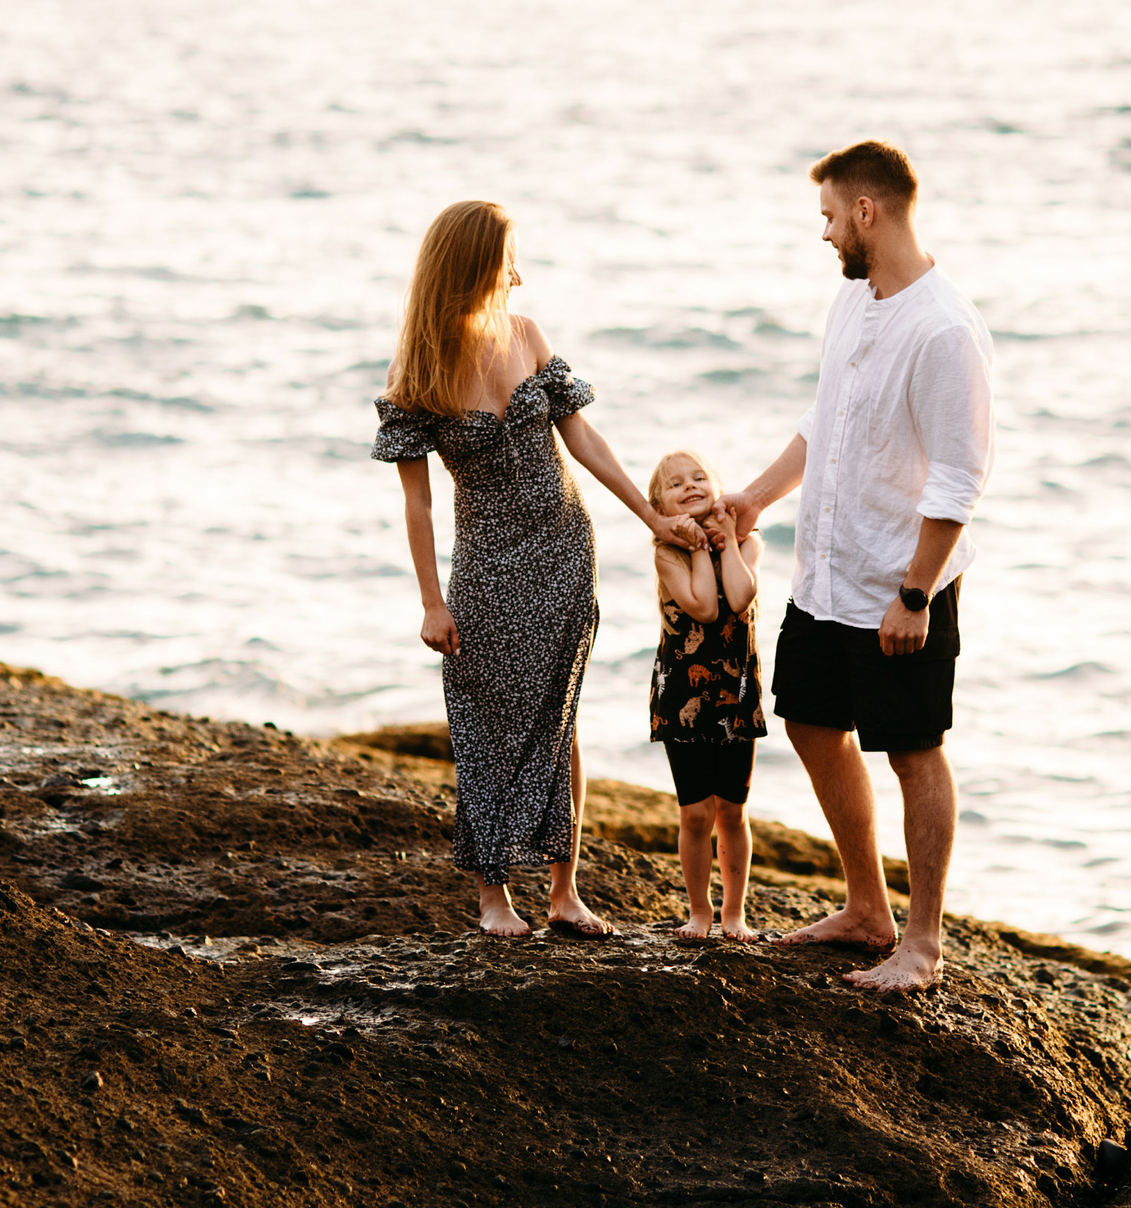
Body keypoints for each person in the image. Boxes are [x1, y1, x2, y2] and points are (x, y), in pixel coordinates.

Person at [372, 199, 703, 938]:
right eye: (504, 263)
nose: (516, 277)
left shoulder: (525, 334)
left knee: (562, 716)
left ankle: (564, 891)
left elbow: (582, 438)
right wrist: (431, 601)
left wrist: (652, 517)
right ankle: (494, 897)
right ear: (471, 268)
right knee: (485, 724)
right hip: (486, 565)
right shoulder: (415, 369)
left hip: (562, 548)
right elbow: (419, 506)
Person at [721, 140, 995, 992]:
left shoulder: (945, 329)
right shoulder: (853, 302)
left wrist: (915, 593)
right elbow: (826, 421)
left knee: (914, 751)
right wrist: (754, 498)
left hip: (899, 584)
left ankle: (921, 942)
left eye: (831, 217)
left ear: (867, 212)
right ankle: (867, 907)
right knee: (807, 719)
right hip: (826, 576)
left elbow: (959, 478)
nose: (827, 234)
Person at [646, 450, 764, 942]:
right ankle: (700, 910)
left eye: (699, 478)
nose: (690, 485)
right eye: (676, 484)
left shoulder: (747, 544)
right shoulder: (666, 552)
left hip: (735, 692)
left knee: (733, 810)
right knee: (696, 812)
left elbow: (739, 595)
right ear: (659, 505)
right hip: (682, 692)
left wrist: (726, 542)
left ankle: (734, 913)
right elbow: (705, 607)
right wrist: (696, 547)